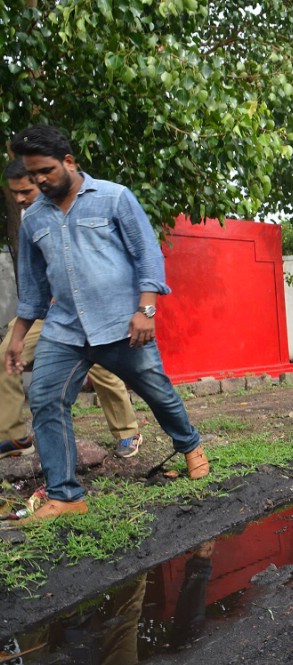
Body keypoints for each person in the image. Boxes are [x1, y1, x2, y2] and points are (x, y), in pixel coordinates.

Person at [5, 125, 209, 521]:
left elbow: (147, 256)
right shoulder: (33, 220)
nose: (40, 180)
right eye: (33, 174)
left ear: (69, 161)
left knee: (159, 393)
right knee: (46, 399)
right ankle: (66, 496)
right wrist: (17, 338)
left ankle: (190, 446)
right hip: (65, 330)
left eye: (46, 170)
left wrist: (146, 310)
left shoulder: (114, 198)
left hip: (122, 326)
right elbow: (32, 289)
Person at [1, 160, 143, 460]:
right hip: (46, 314)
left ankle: (127, 431)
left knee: (104, 368)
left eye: (25, 191)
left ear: (44, 181)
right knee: (5, 356)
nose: (19, 199)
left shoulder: (78, 207)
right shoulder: (31, 219)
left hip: (90, 312)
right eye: (14, 193)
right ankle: (14, 435)